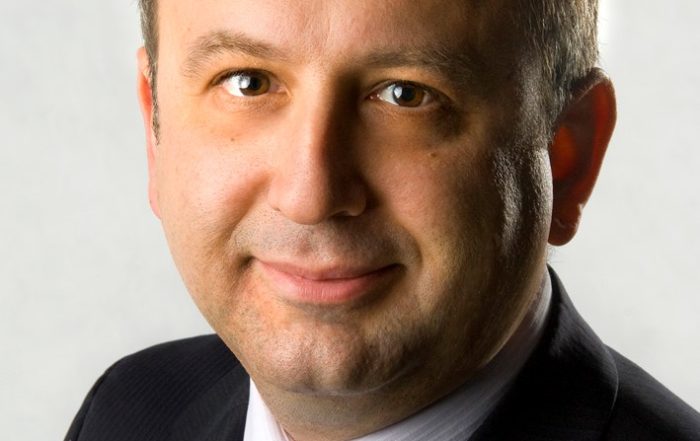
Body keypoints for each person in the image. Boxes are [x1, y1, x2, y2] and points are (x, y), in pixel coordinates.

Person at [65, 0, 700, 440]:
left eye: (406, 95)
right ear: (156, 130)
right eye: (247, 83)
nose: (311, 196)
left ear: (566, 158)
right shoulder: (127, 412)